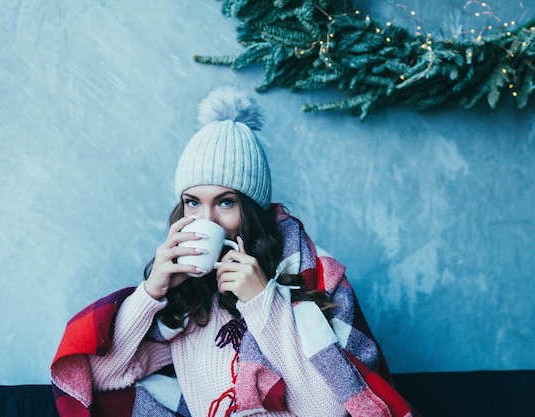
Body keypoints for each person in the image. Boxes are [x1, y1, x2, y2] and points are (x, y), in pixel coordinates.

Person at [50, 86, 417, 417]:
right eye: (192, 203)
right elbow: (101, 379)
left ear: (251, 210)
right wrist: (150, 293)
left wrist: (262, 303)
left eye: (225, 203)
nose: (206, 219)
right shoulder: (189, 303)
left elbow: (327, 411)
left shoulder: (310, 276)